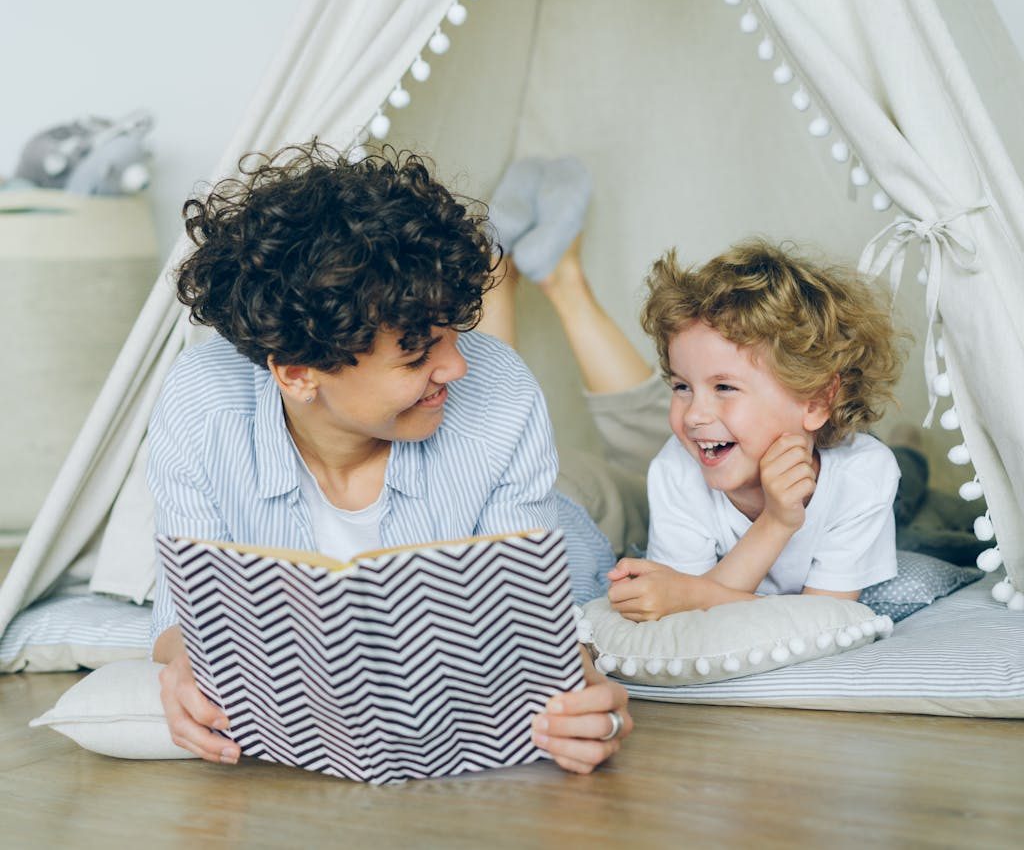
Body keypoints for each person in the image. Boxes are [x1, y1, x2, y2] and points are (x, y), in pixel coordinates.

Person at [147, 141, 632, 775]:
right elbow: (182, 616)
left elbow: (533, 625)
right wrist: (186, 662)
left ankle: (546, 276)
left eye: (456, 330)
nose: (456, 365)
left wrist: (585, 695)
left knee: (635, 478)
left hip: (577, 504)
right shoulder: (200, 401)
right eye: (416, 353)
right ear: (297, 373)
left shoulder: (500, 390)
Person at [486, 202, 906, 623]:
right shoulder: (676, 471)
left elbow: (825, 620)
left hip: (860, 461)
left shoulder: (863, 474)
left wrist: (694, 591)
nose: (694, 415)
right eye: (681, 387)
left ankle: (911, 449)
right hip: (635, 484)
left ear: (815, 402)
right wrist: (775, 524)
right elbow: (685, 613)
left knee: (909, 480)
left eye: (725, 387)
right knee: (643, 448)